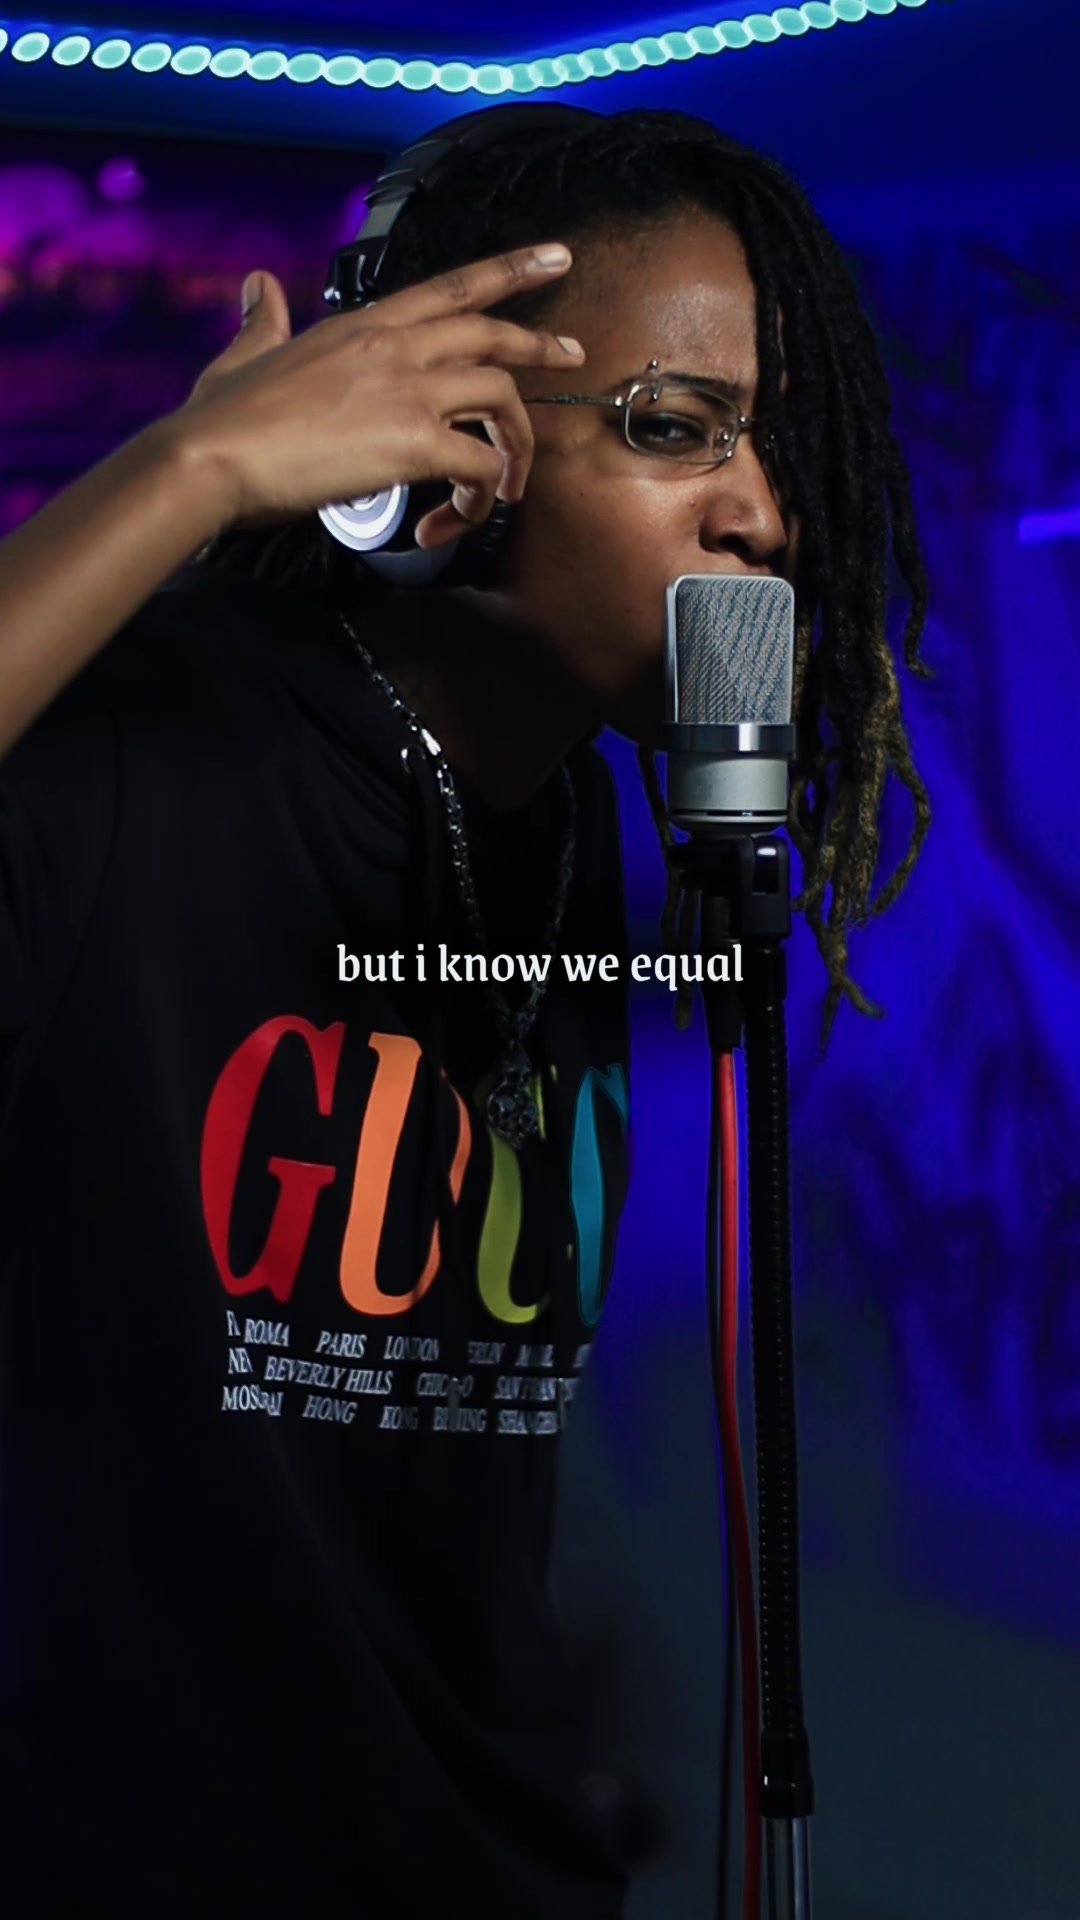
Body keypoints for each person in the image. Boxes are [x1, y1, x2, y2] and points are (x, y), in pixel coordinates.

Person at [0, 106, 929, 1915]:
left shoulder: (567, 812)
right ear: (448, 465)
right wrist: (191, 466)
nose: (762, 512)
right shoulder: (148, 750)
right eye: (676, 429)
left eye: (774, 447)